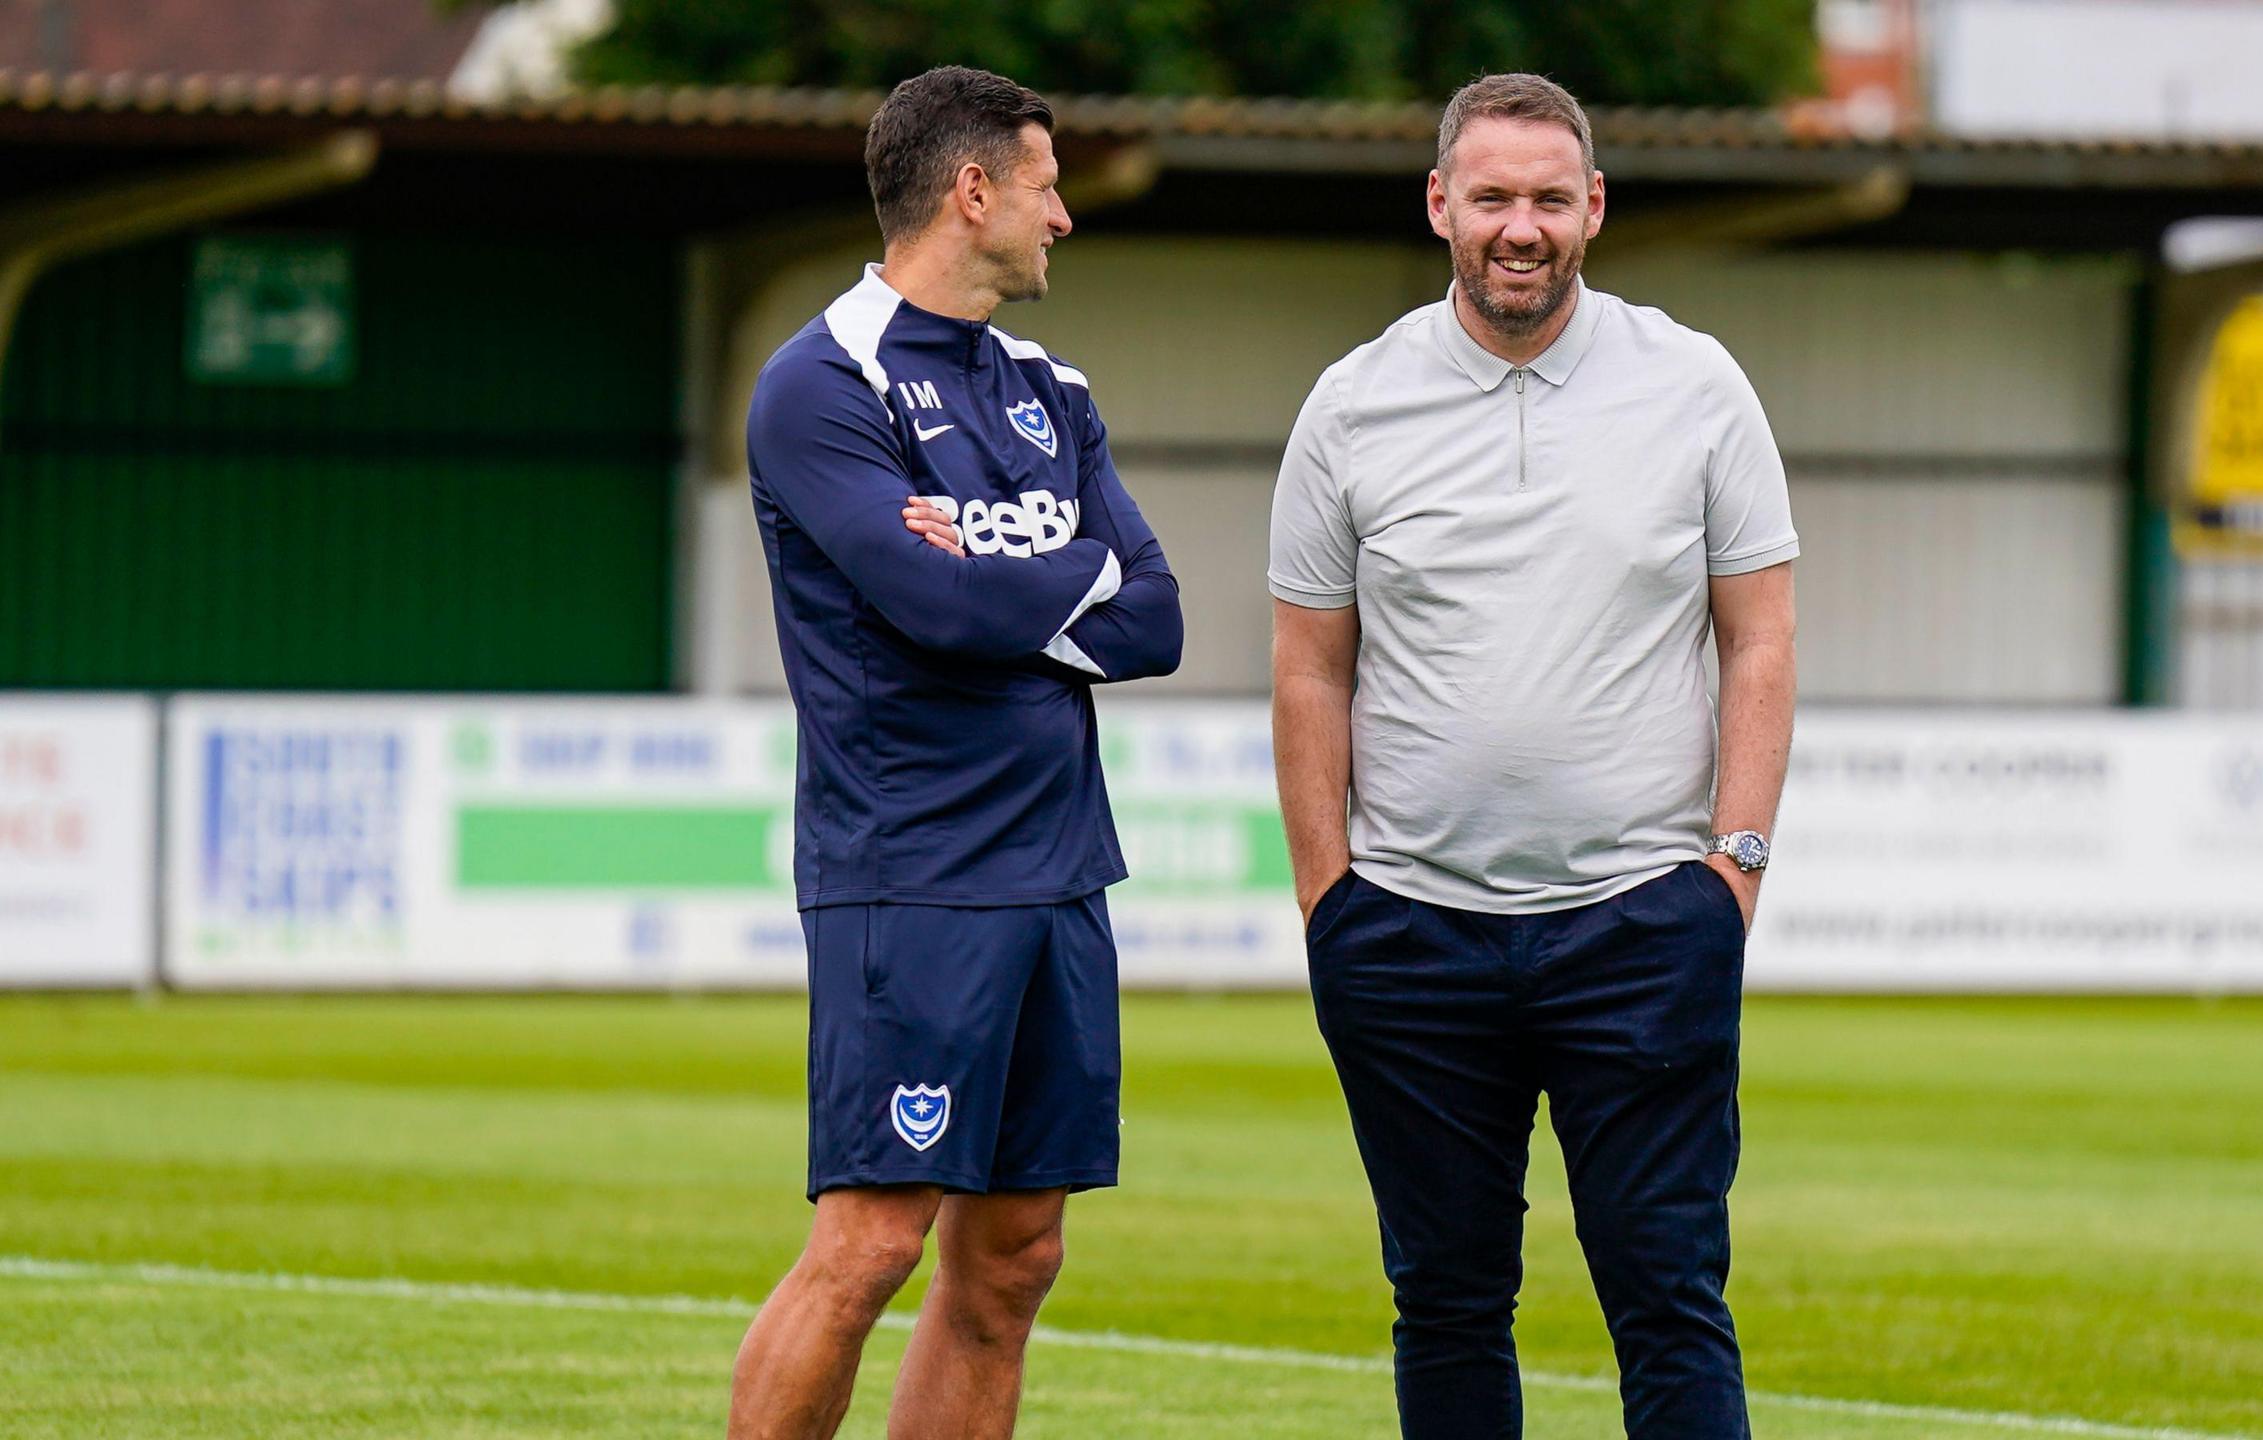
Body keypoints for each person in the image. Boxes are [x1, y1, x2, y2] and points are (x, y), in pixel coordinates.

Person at [1268, 72, 1799, 1440]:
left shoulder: (1694, 385)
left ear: (1594, 210)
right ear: (1441, 202)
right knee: (1445, 1301)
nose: (1522, 227)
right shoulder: (1351, 404)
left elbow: (1761, 641)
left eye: (1550, 199)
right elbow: (1310, 667)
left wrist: (1728, 872)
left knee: (1669, 1293)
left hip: (1643, 923)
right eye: (1493, 196)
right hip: (1411, 935)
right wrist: (1332, 902)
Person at [732, 65, 1182, 1440]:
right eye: (1046, 187)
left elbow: (1156, 614)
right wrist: (1061, 572)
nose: (1063, 219)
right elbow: (927, 605)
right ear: (972, 189)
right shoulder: (819, 385)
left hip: (1058, 876)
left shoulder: (1053, 387)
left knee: (1016, 1256)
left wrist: (996, 576)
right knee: (872, 1241)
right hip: (912, 873)